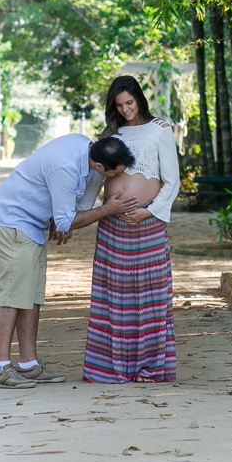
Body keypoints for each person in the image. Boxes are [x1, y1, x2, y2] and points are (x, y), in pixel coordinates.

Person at [0, 133, 139, 389]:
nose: (111, 180)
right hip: (11, 222)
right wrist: (108, 209)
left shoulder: (89, 150)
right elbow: (67, 222)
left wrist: (66, 216)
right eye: (112, 175)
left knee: (31, 297)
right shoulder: (66, 166)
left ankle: (28, 364)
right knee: (12, 295)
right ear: (100, 165)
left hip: (32, 226)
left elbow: (81, 200)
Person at [79, 76, 181, 383]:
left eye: (129, 103)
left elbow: (171, 180)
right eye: (119, 105)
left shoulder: (160, 129)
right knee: (114, 297)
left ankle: (150, 367)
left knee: (151, 296)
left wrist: (147, 211)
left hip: (148, 224)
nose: (125, 110)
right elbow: (95, 180)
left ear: (139, 99)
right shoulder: (111, 133)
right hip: (113, 228)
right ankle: (113, 368)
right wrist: (79, 214)